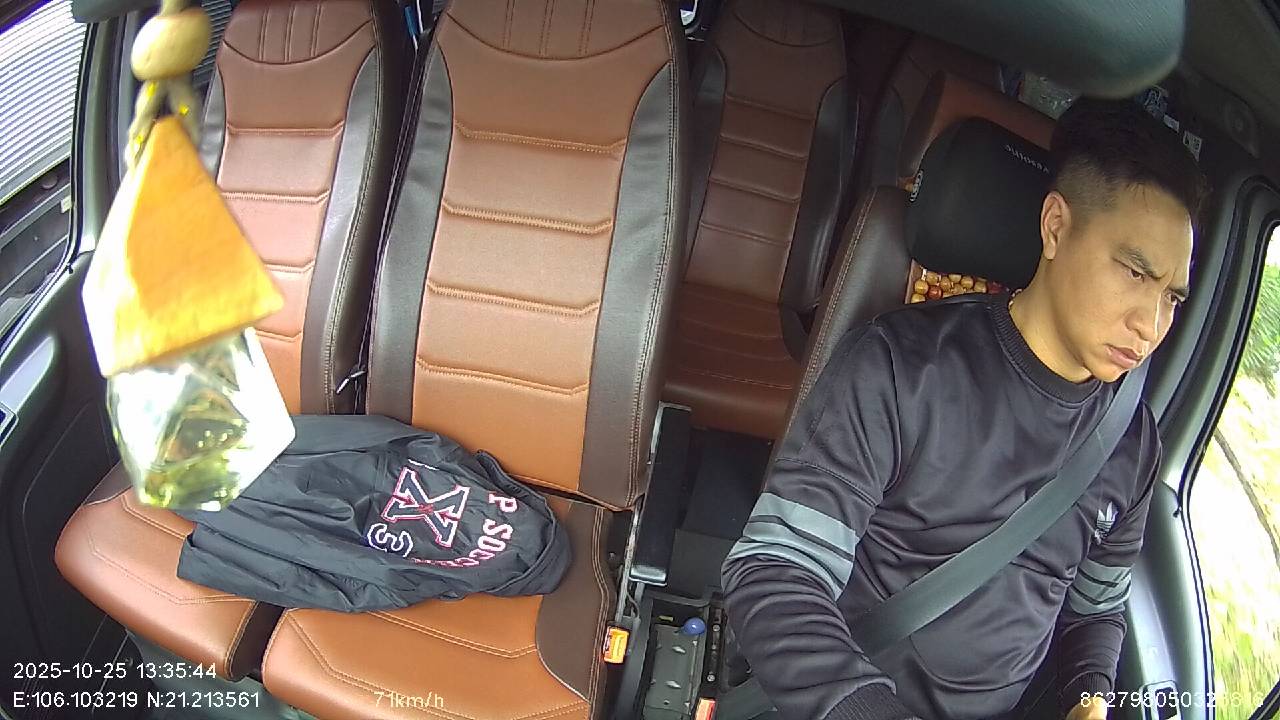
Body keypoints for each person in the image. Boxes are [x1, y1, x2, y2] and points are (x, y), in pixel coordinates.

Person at [721, 97, 1209, 720]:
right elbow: (776, 569)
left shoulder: (1131, 442)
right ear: (1056, 226)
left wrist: (1089, 694)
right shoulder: (902, 367)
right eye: (1135, 273)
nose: (1151, 324)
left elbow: (1098, 608)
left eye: (1172, 297)